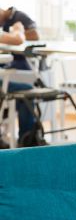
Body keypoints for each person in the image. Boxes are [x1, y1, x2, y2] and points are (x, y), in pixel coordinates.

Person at [0, 8, 40, 146]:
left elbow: (35, 35)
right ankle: (27, 140)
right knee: (26, 91)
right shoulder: (15, 22)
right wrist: (18, 29)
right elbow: (17, 39)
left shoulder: (19, 15)